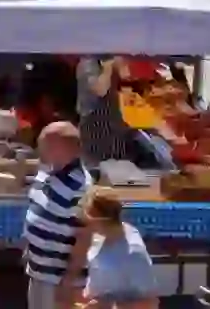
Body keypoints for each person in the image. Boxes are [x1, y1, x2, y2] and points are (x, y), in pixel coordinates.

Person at [25, 121, 92, 309]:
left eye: (44, 146)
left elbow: (85, 239)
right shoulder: (49, 170)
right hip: (39, 272)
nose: (39, 150)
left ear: (60, 148)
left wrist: (69, 280)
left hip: (58, 281)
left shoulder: (81, 188)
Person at [80, 188, 159, 308]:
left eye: (88, 218)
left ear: (100, 219)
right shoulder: (98, 237)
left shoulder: (134, 254)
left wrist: (108, 306)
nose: (85, 222)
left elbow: (150, 303)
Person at [78, 57, 138, 167]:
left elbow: (127, 75)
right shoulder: (88, 63)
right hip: (96, 129)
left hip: (116, 130)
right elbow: (100, 89)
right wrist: (108, 65)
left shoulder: (114, 61)